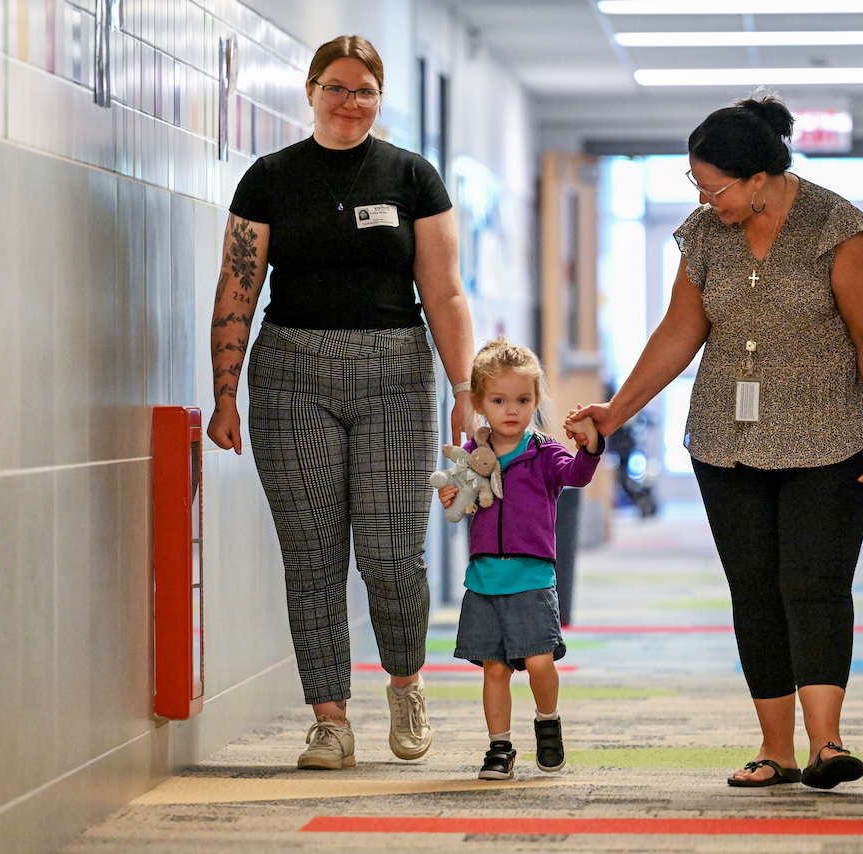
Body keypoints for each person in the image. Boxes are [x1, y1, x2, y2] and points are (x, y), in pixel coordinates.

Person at [569, 94, 863, 790]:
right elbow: (678, 333)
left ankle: (828, 744)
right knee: (753, 590)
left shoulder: (835, 230)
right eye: (694, 183)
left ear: (761, 179)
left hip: (830, 438)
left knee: (812, 586)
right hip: (726, 442)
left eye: (714, 185)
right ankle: (775, 749)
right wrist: (615, 411)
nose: (703, 197)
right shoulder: (704, 236)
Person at [205, 34, 474, 771]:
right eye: (337, 87)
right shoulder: (269, 179)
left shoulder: (413, 177)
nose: (350, 102)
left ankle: (406, 684)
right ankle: (329, 719)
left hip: (395, 373)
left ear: (380, 99)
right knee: (313, 558)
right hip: (291, 372)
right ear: (311, 89)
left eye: (364, 91)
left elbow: (444, 291)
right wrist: (224, 396)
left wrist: (464, 391)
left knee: (391, 557)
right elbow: (237, 289)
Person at [436, 337, 602, 780]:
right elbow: (458, 498)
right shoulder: (473, 455)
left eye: (523, 400)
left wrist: (590, 448)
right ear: (479, 403)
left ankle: (548, 723)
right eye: (499, 400)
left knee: (539, 662)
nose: (512, 410)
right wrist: (450, 495)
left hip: (531, 578)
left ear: (536, 401)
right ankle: (500, 747)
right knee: (494, 669)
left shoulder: (544, 453)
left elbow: (576, 476)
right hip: (485, 580)